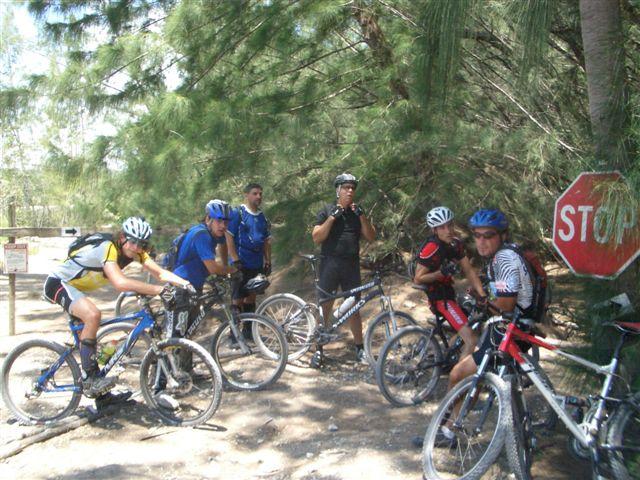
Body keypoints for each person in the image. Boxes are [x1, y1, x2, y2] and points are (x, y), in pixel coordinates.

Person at [43, 216, 193, 408]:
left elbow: (160, 273)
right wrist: (159, 290)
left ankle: (101, 397)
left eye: (141, 244)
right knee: (93, 315)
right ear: (122, 237)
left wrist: (184, 283)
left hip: (76, 289)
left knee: (92, 344)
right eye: (132, 241)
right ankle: (90, 378)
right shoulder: (108, 248)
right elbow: (120, 283)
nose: (136, 247)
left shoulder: (136, 253)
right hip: (58, 283)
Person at [431, 208, 535, 447]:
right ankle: (450, 426)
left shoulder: (504, 258)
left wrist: (485, 303)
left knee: (458, 374)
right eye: (477, 235)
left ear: (502, 235)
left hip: (510, 332)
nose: (481, 240)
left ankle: (447, 430)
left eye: (488, 235)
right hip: (515, 327)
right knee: (473, 373)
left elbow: (506, 303)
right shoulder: (507, 254)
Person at [312, 172, 376, 362]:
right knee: (325, 307)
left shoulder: (357, 212)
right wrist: (332, 218)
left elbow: (371, 237)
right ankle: (318, 350)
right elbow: (317, 237)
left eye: (352, 188)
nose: (350, 191)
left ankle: (359, 348)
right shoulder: (326, 209)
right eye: (346, 187)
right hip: (330, 264)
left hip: (351, 265)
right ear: (338, 190)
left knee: (354, 307)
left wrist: (362, 216)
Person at [413, 206, 486, 361]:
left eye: (450, 225)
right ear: (435, 230)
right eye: (442, 227)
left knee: (472, 320)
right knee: (471, 339)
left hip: (450, 293)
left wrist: (482, 294)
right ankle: (460, 381)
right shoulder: (432, 248)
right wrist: (441, 273)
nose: (448, 230)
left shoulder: (455, 244)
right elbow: (418, 278)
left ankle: (447, 359)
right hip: (440, 298)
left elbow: (469, 270)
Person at [170, 199, 238, 338]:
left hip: (194, 285)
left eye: (226, 222)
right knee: (179, 336)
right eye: (219, 221)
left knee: (188, 334)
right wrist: (232, 270)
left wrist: (225, 266)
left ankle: (182, 359)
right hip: (182, 287)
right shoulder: (202, 235)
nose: (223, 226)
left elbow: (223, 244)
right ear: (208, 219)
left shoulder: (212, 233)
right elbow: (212, 268)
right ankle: (158, 355)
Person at [225, 183, 272, 320]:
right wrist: (235, 260)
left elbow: (266, 241)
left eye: (260, 194)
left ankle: (248, 332)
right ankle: (234, 337)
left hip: (256, 264)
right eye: (255, 193)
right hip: (241, 264)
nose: (258, 196)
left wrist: (267, 261)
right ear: (246, 195)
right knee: (237, 300)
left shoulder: (262, 216)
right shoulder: (238, 213)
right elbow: (229, 236)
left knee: (251, 297)